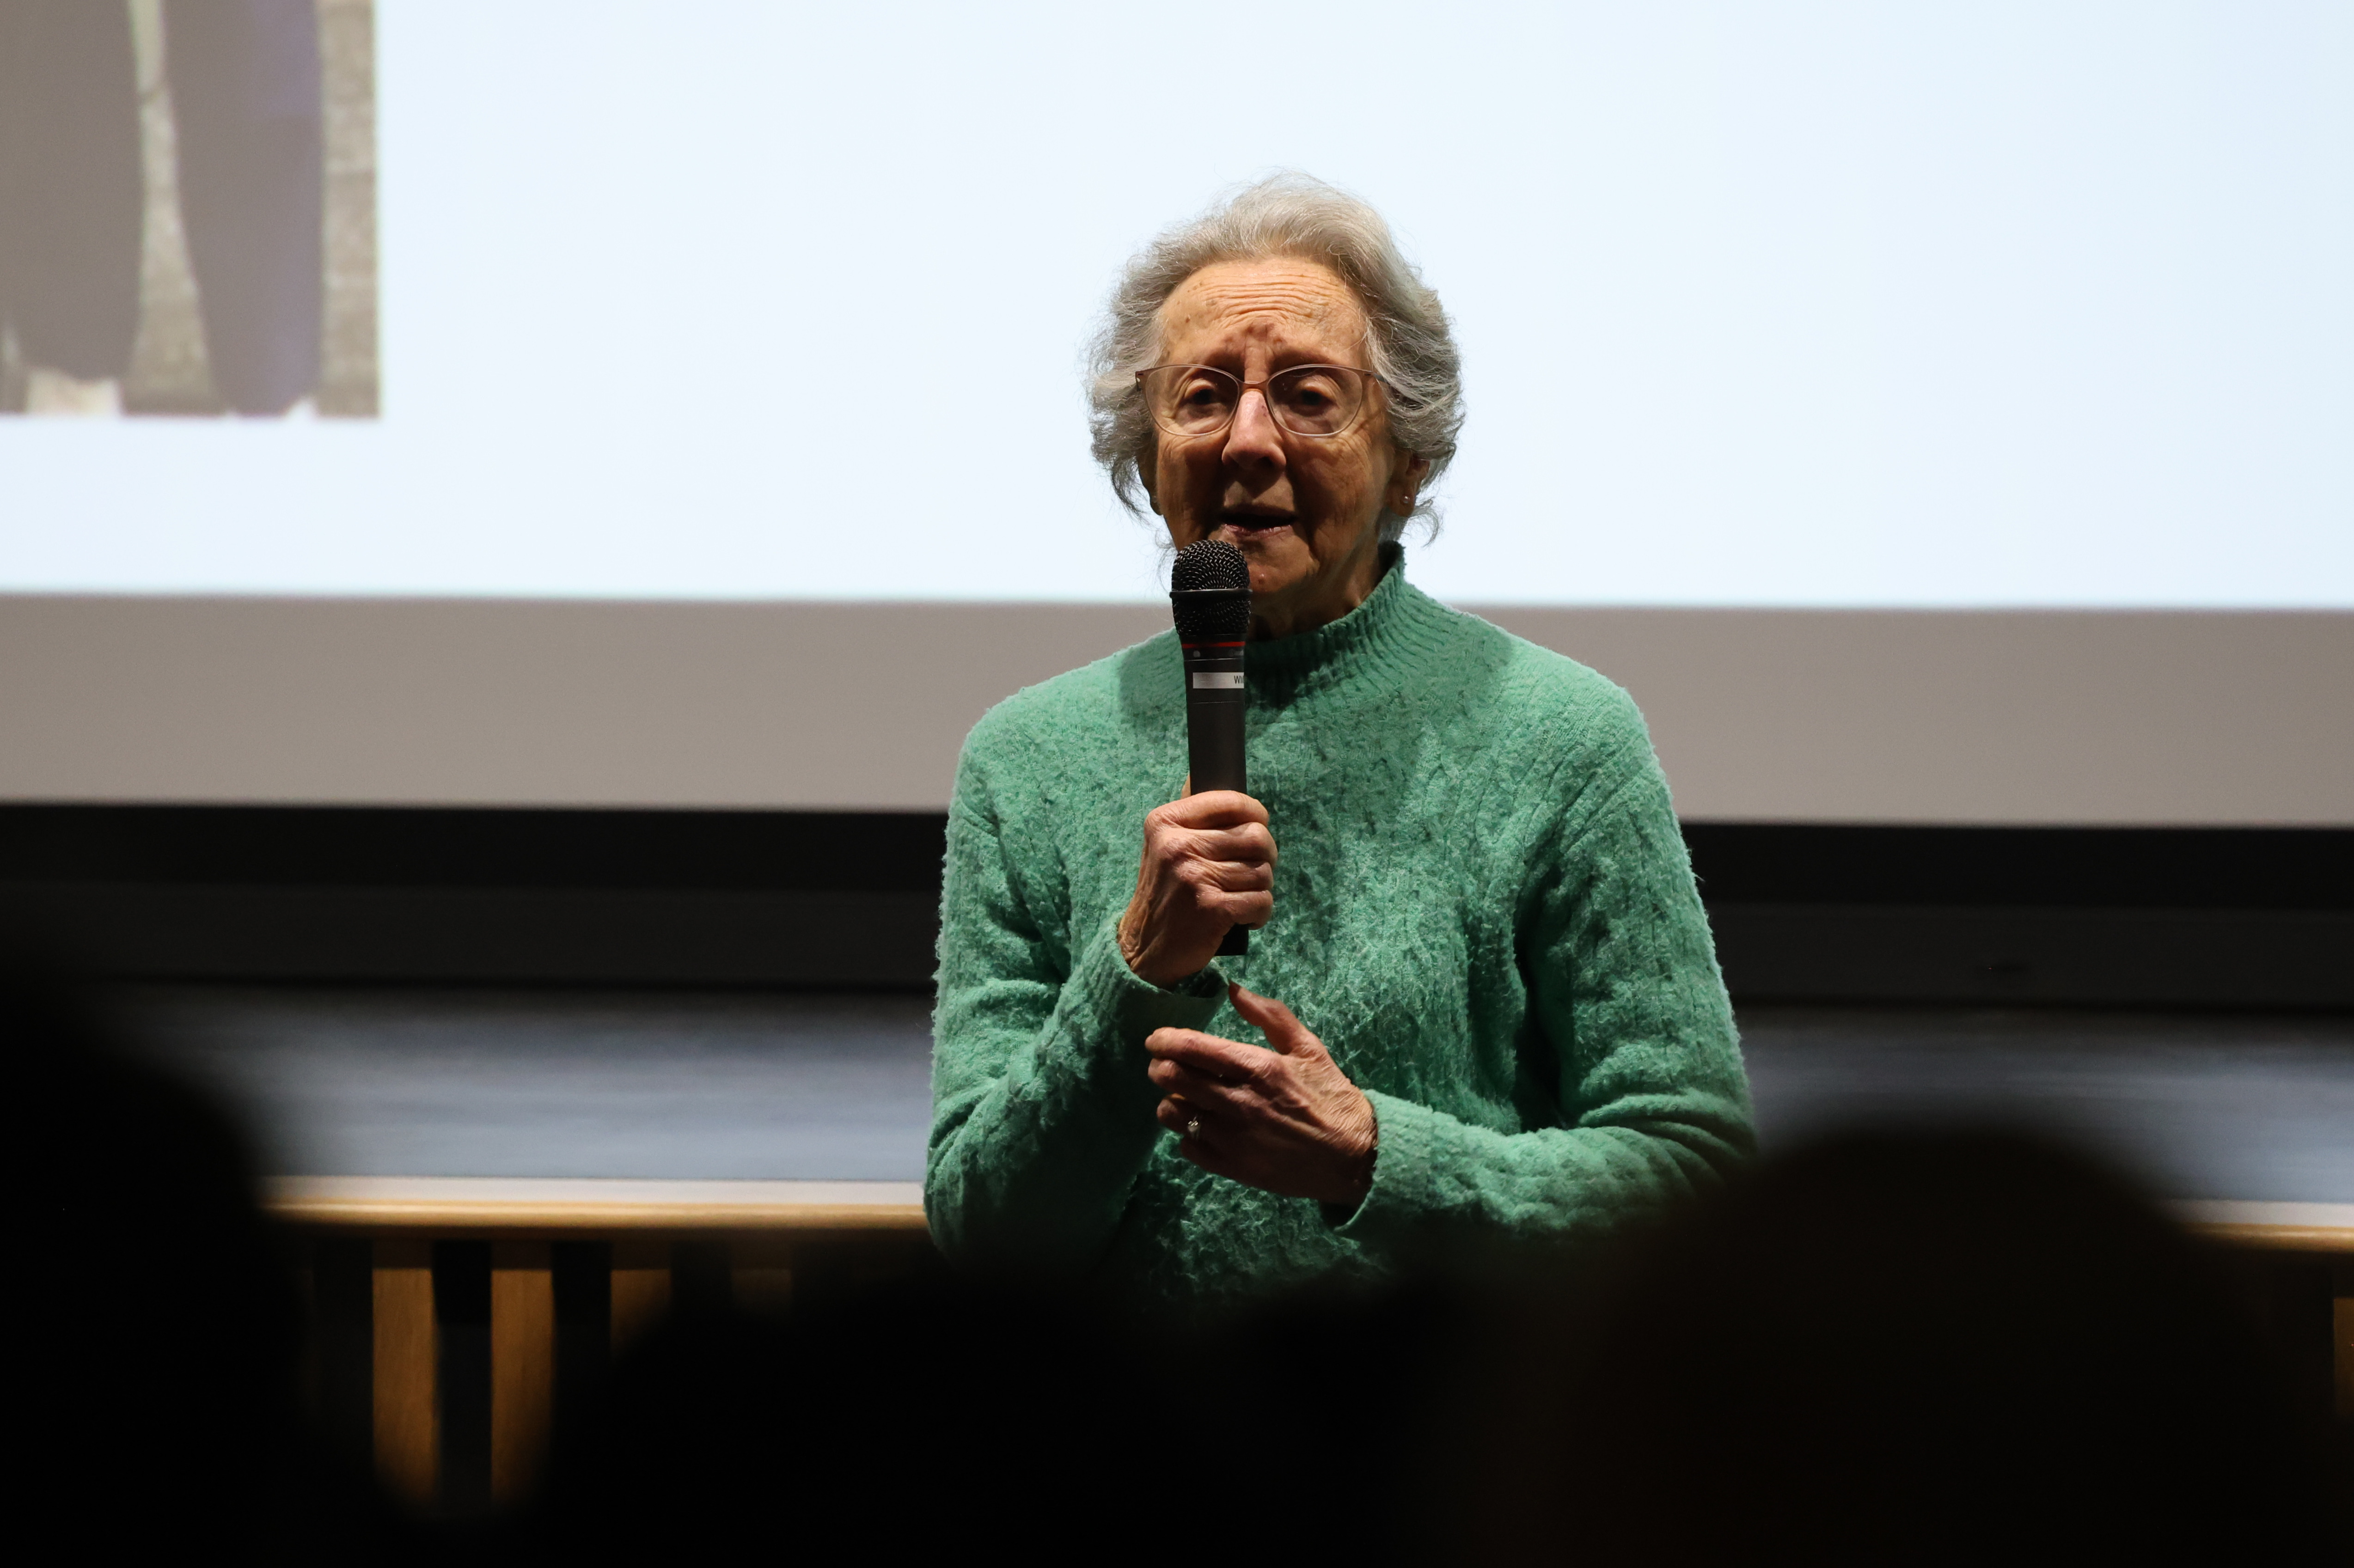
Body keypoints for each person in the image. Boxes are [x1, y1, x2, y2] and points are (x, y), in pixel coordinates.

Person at [925, 174, 1754, 1313]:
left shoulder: (1563, 738)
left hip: (1451, 1456)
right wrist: (1136, 974)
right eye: (1202, 397)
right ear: (1145, 453)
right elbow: (986, 1231)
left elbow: (1695, 1182)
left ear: (1407, 462)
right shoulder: (1028, 760)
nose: (1248, 441)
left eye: (1308, 396)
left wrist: (1374, 1157)